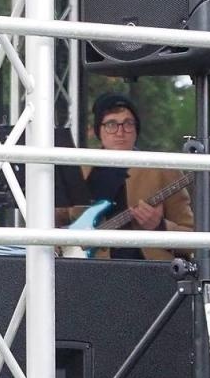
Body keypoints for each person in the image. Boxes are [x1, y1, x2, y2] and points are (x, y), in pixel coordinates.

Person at [75, 92, 194, 260]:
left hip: (147, 273)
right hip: (89, 272)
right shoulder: (81, 169)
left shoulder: (162, 168)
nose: (120, 132)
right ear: (98, 130)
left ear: (136, 129)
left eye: (128, 124)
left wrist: (160, 226)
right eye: (111, 124)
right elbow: (56, 217)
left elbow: (193, 238)